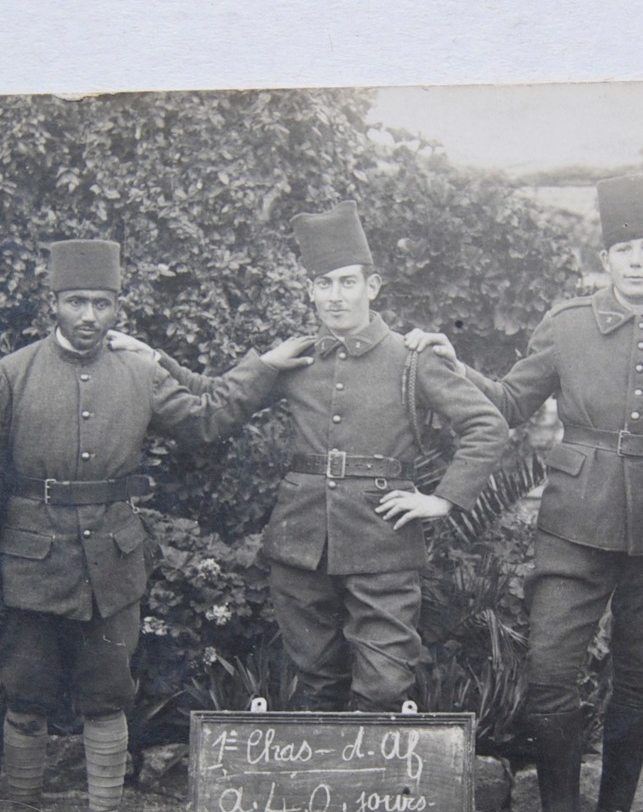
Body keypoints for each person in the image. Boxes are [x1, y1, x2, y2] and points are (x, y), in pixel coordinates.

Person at [405, 173, 643, 812]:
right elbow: (508, 400)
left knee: (636, 675)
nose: (637, 262)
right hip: (572, 524)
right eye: (624, 249)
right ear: (607, 258)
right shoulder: (567, 326)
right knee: (550, 670)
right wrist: (449, 362)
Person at [0, 239, 315, 812]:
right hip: (32, 559)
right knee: (26, 697)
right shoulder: (9, 377)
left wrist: (263, 367)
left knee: (105, 697)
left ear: (117, 304)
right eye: (75, 301)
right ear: (53, 304)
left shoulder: (140, 372)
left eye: (101, 301)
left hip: (112, 563)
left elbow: (206, 418)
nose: (89, 315)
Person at [146, 201, 510, 713]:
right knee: (316, 682)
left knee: (384, 685)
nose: (335, 297)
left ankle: (374, 793)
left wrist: (444, 501)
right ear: (310, 291)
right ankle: (326, 792)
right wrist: (155, 361)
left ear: (372, 287)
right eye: (323, 284)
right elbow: (214, 403)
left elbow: (487, 424)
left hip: (383, 540)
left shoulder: (413, 359)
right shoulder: (296, 357)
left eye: (346, 282)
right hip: (301, 541)